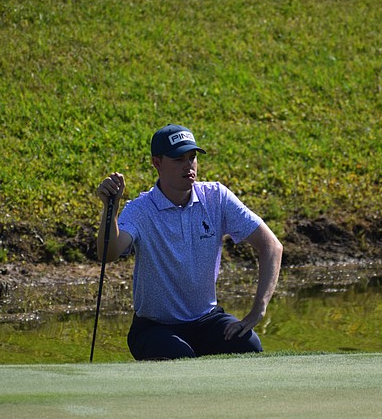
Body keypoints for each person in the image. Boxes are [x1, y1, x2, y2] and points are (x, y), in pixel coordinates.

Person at [96, 124, 283, 360]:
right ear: (157, 163)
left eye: (192, 157)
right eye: (178, 159)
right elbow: (108, 254)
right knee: (179, 356)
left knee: (249, 345)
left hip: (207, 320)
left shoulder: (216, 197)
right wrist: (110, 210)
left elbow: (271, 246)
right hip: (155, 328)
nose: (189, 165)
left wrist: (257, 310)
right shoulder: (140, 210)